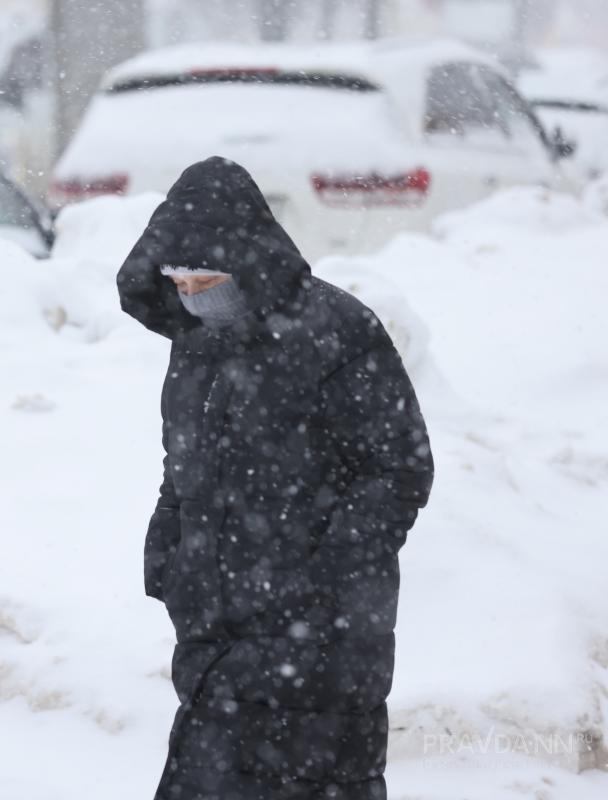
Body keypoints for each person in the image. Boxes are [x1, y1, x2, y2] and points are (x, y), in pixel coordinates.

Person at [118, 157, 434, 799]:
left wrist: (320, 582)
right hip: (214, 636)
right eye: (179, 283)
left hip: (320, 644)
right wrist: (169, 552)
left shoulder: (336, 331)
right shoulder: (196, 344)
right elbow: (185, 466)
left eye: (206, 280)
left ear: (248, 263)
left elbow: (399, 466)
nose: (192, 296)